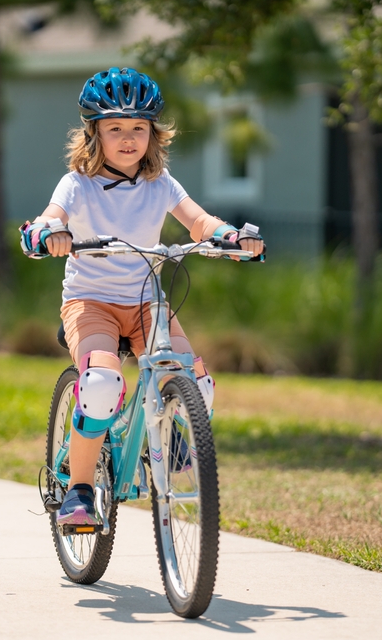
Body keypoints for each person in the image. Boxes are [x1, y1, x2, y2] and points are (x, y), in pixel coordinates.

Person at [20, 67, 265, 529]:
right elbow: (53, 215)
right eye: (115, 128)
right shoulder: (78, 183)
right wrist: (47, 232)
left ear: (154, 134)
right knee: (99, 386)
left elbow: (198, 222)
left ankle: (171, 430)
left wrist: (231, 237)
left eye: (138, 128)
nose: (128, 138)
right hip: (91, 300)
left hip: (147, 300)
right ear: (94, 134)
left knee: (197, 384)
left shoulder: (161, 183)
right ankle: (80, 490)